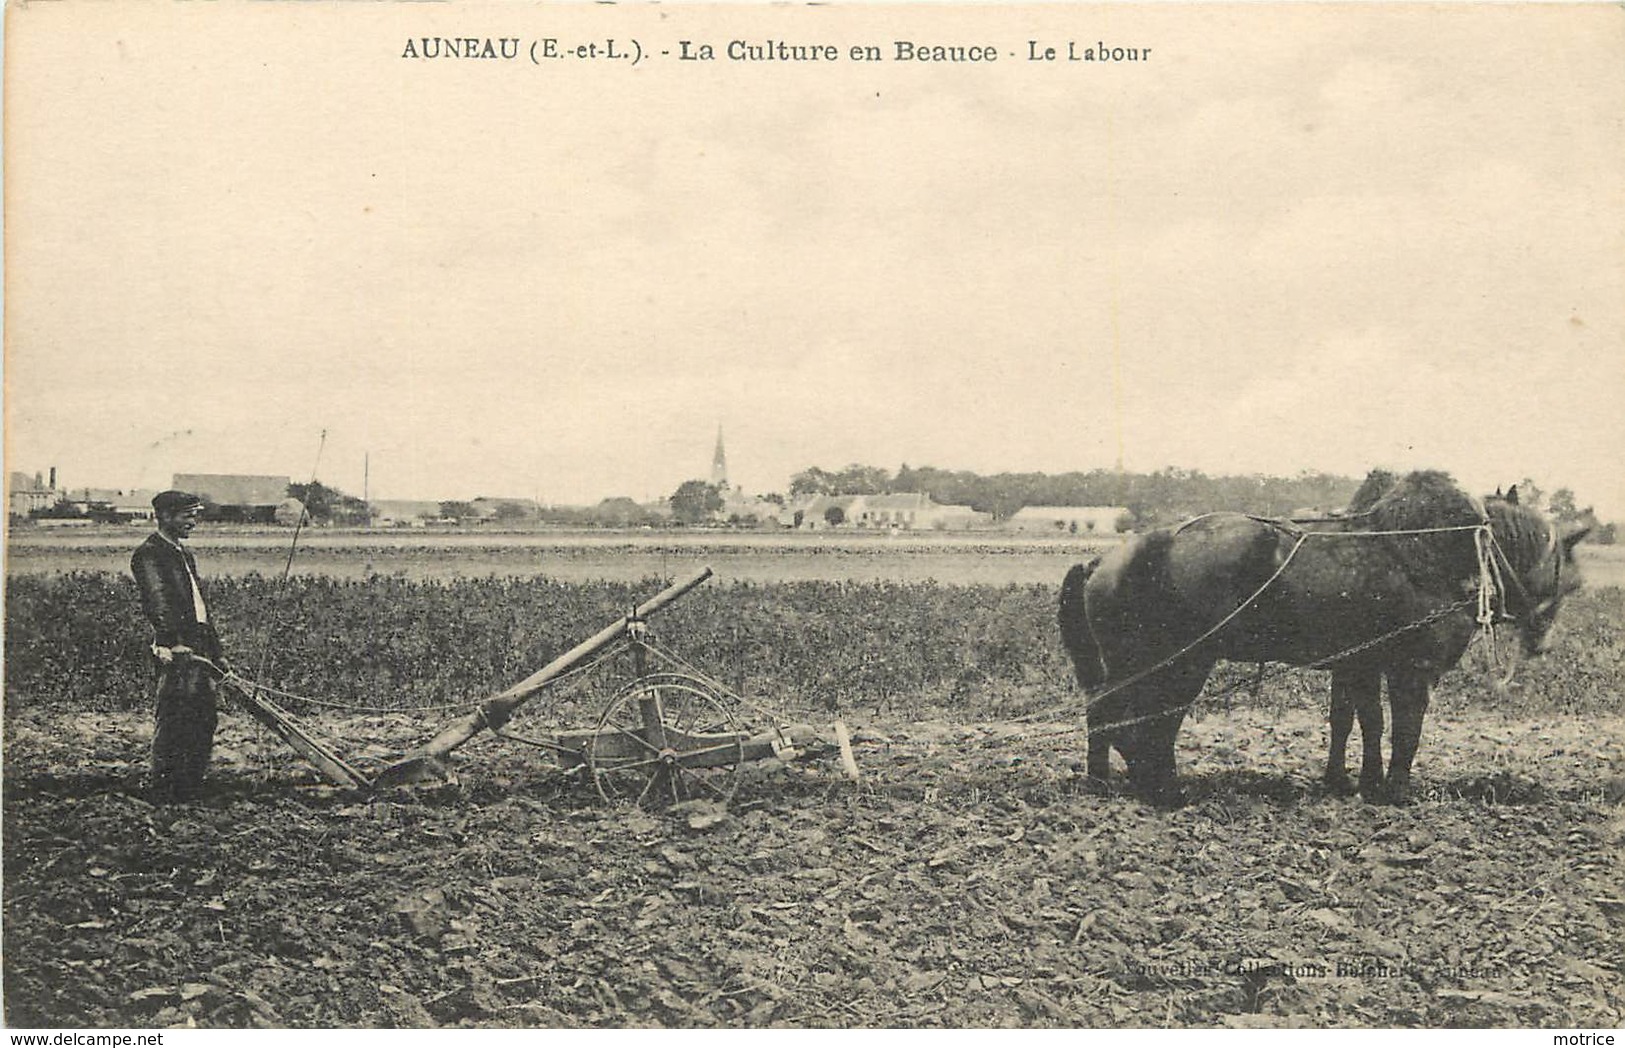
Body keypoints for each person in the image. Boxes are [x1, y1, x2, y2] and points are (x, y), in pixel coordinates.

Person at [132, 490, 229, 803]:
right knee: (176, 713)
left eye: (195, 514)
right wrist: (173, 642)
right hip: (177, 647)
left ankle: (190, 784)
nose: (193, 521)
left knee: (203, 714)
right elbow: (157, 601)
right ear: (165, 517)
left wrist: (218, 653)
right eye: (187, 515)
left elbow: (200, 607)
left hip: (199, 643)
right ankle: (165, 788)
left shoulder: (183, 554)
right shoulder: (149, 554)